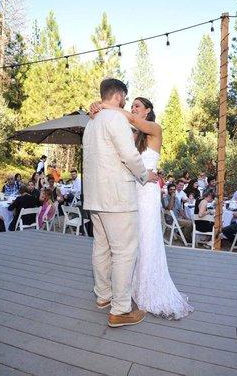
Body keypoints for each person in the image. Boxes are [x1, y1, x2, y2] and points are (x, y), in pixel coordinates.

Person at [89, 87, 193, 320]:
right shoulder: (131, 133)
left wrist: (106, 105)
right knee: (125, 242)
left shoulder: (154, 129)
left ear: (147, 111)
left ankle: (147, 289)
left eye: (137, 105)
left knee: (145, 238)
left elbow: (129, 118)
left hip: (146, 192)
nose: (132, 108)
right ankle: (127, 289)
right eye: (131, 104)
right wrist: (98, 109)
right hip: (128, 189)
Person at [84, 78, 159, 328]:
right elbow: (128, 155)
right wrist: (144, 175)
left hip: (95, 197)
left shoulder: (91, 121)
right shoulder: (115, 119)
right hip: (117, 198)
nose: (127, 103)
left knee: (101, 248)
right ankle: (121, 309)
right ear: (119, 96)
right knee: (124, 252)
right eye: (126, 99)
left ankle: (103, 296)